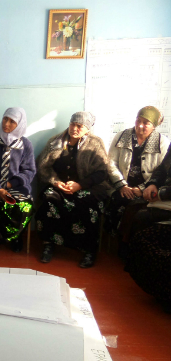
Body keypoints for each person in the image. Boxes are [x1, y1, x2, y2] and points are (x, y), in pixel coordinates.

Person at [36, 112, 110, 268]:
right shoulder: (55, 141)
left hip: (87, 187)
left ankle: (89, 250)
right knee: (49, 200)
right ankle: (48, 244)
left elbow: (102, 171)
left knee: (88, 206)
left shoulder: (95, 144)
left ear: (87, 129)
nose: (74, 128)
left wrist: (80, 185)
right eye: (72, 124)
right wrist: (56, 183)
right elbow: (42, 166)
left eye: (79, 126)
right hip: (60, 187)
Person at [105, 106, 169, 256]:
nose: (140, 125)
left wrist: (142, 188)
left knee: (136, 209)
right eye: (138, 120)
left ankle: (127, 245)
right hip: (121, 186)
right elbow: (111, 163)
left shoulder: (162, 142)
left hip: (146, 190)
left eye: (145, 123)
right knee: (116, 202)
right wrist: (122, 185)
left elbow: (163, 171)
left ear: (154, 125)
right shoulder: (122, 136)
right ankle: (116, 241)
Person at [0, 108, 36, 253]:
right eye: (5, 119)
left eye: (12, 121)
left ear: (20, 124)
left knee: (24, 207)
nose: (6, 124)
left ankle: (14, 236)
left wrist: (10, 184)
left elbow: (29, 171)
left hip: (16, 187)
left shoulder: (26, 144)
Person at [125, 146, 171, 313]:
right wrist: (152, 184)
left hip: (166, 198)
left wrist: (162, 193)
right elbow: (162, 169)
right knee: (140, 227)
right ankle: (156, 288)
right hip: (164, 200)